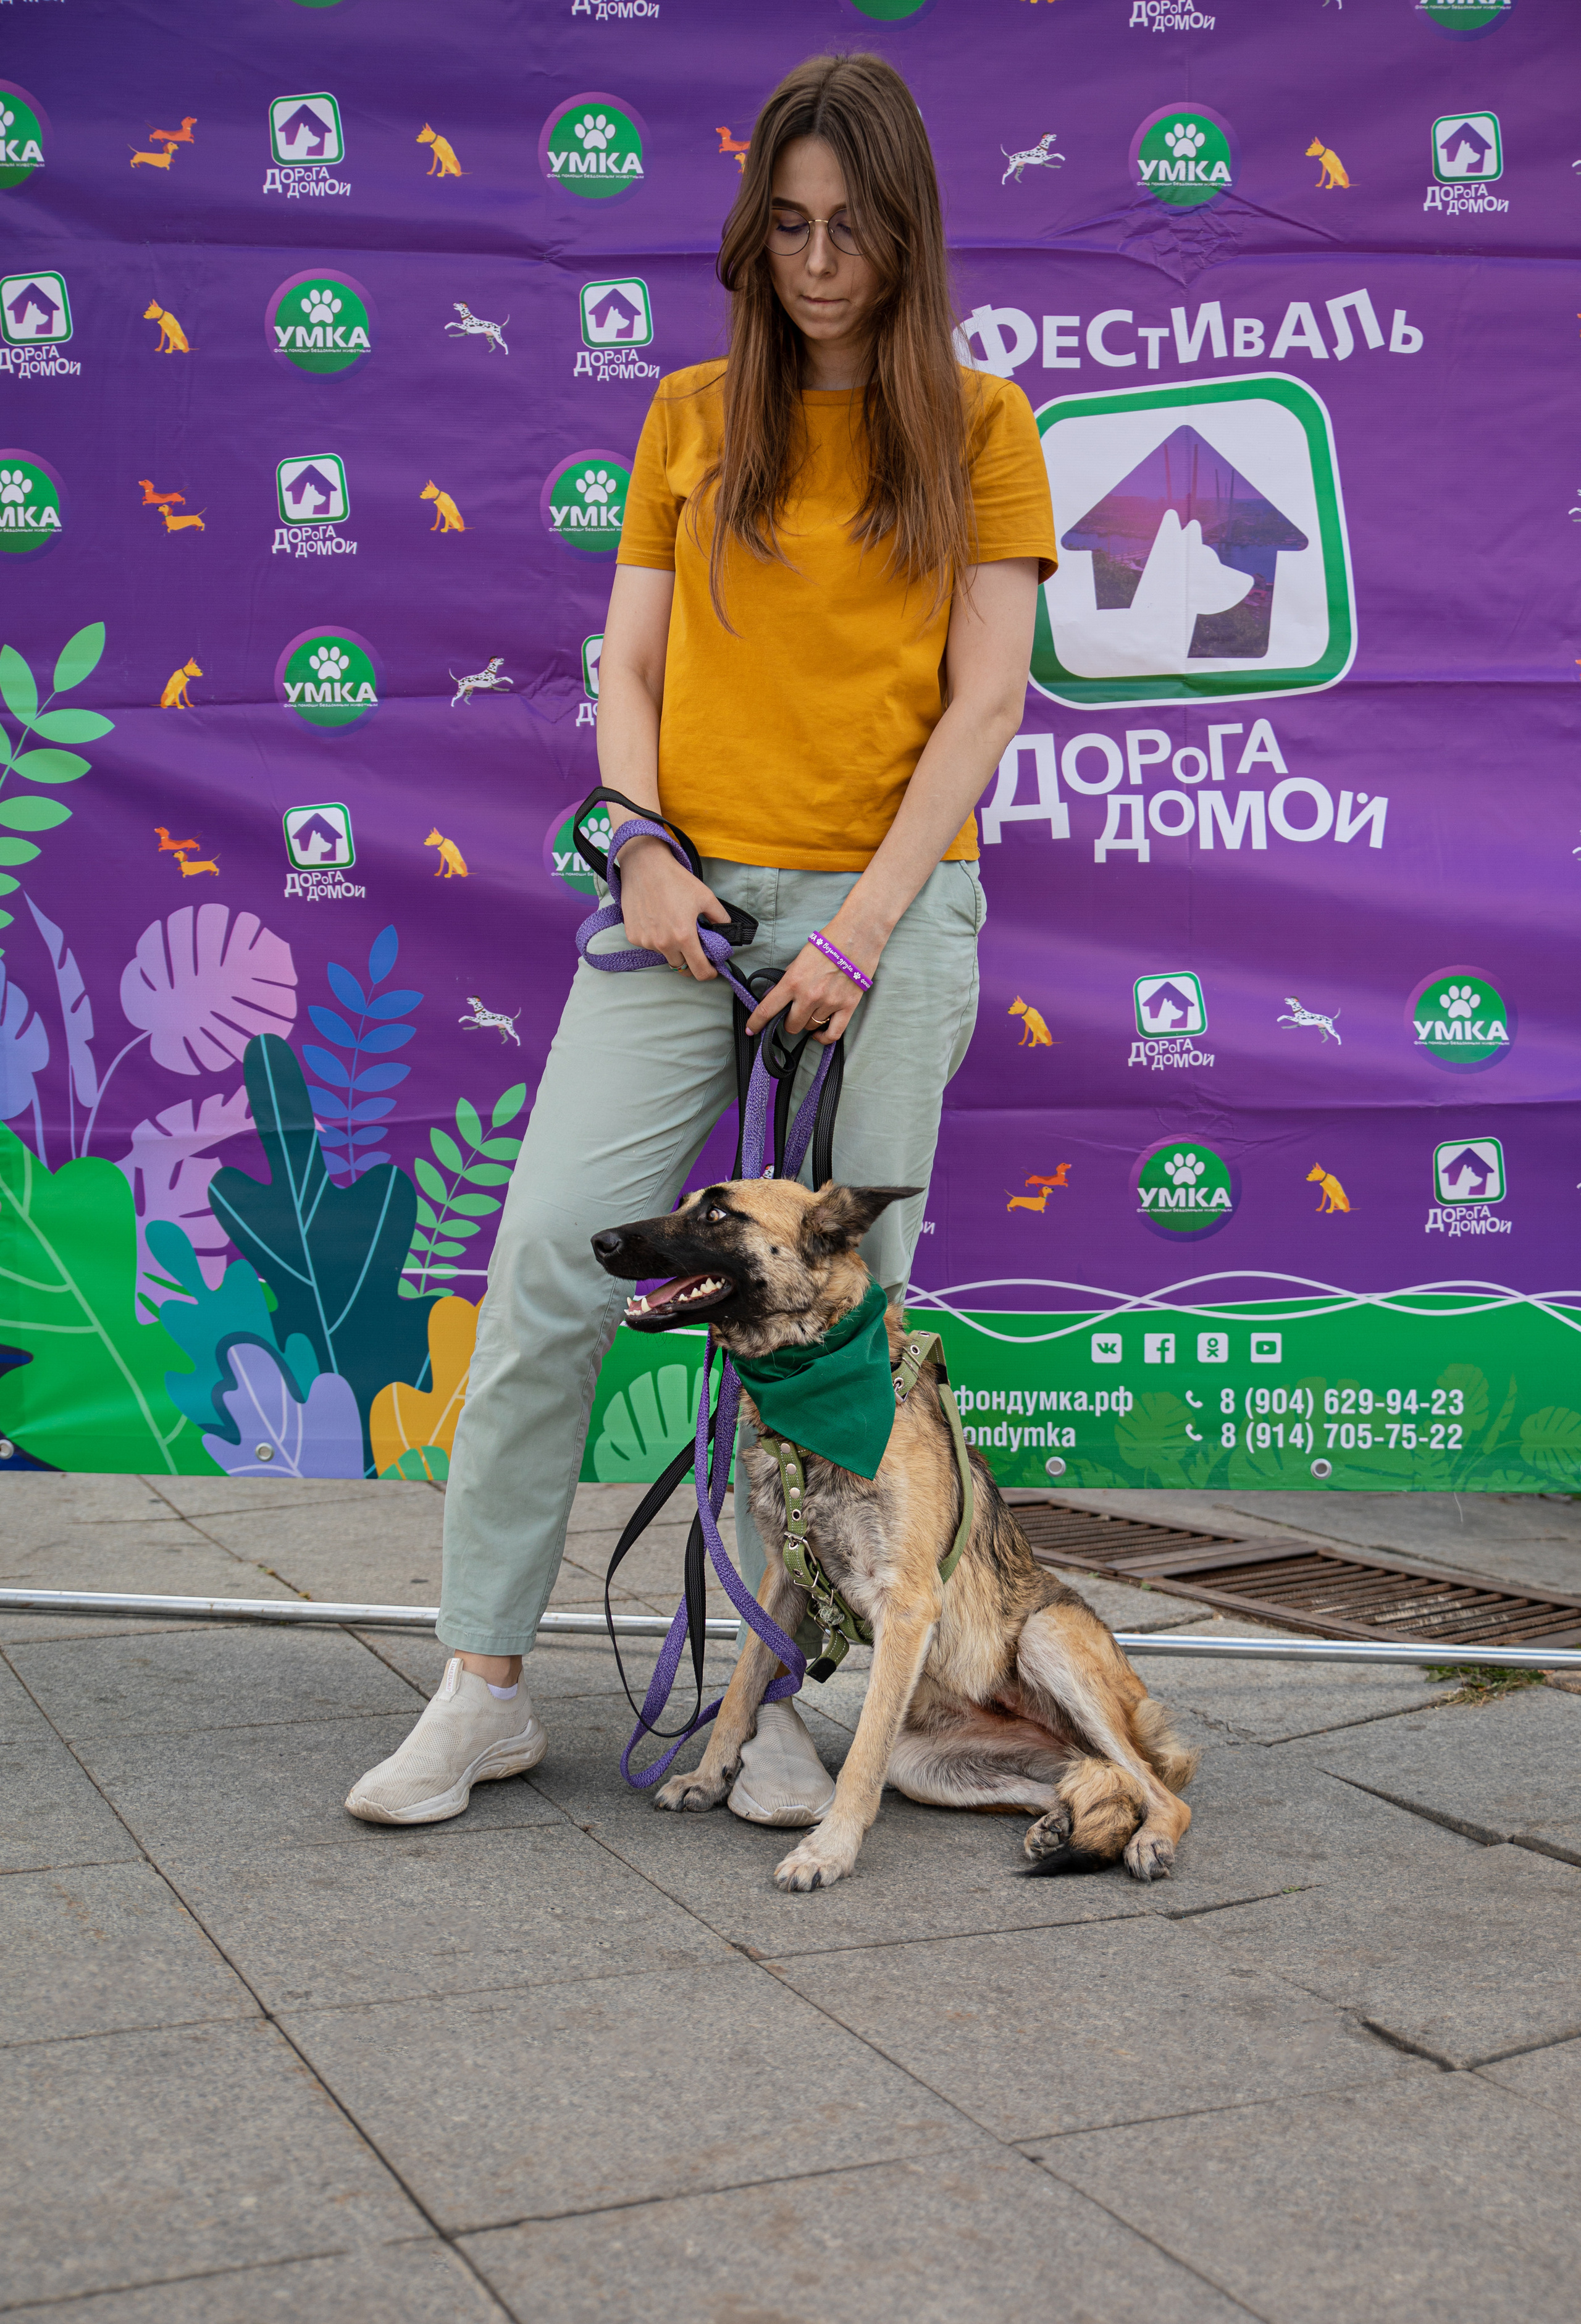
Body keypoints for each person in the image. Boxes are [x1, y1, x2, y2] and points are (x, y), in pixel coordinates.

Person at [346, 50, 1057, 1827]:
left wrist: (868, 930)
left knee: (834, 1336)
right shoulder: (688, 416)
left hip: (886, 915)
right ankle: (484, 1681)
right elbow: (634, 672)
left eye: (853, 229)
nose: (819, 263)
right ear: (755, 235)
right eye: (790, 226)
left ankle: (808, 1695)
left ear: (908, 237)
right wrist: (640, 848)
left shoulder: (982, 427)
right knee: (542, 1268)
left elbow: (983, 710)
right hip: (688, 907)